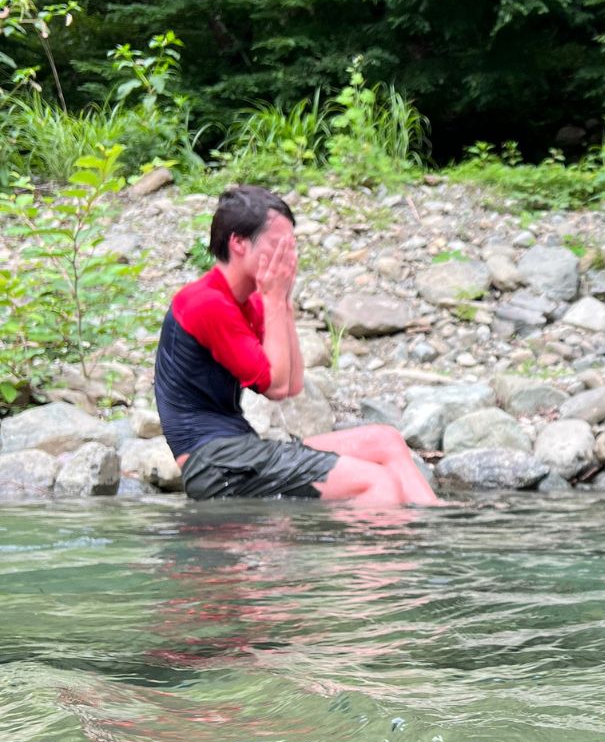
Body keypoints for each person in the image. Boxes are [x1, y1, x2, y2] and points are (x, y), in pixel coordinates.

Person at [153, 185, 440, 506]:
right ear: (238, 243)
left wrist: (282, 302)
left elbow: (292, 384)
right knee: (374, 481)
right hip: (214, 464)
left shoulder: (249, 302)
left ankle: (437, 532)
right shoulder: (204, 302)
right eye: (278, 245)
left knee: (384, 440)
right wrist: (275, 298)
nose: (288, 257)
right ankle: (368, 554)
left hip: (242, 450)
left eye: (291, 246)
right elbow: (275, 388)